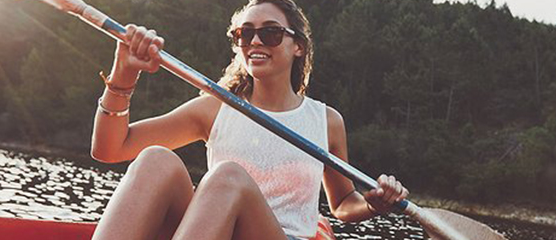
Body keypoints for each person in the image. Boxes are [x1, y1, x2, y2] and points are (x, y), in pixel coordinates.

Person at [88, 0, 408, 239]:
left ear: (298, 46)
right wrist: (124, 72)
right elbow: (110, 149)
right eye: (245, 34)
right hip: (216, 232)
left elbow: (343, 204)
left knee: (228, 178)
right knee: (156, 160)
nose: (255, 42)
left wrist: (373, 205)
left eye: (270, 33)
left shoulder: (326, 120)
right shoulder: (214, 108)